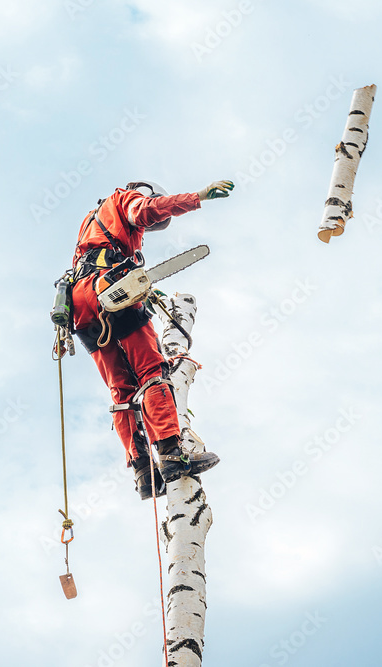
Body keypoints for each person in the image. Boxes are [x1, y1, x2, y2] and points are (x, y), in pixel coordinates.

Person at [70, 179, 233, 499]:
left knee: (121, 389)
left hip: (80, 302)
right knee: (152, 370)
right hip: (108, 285)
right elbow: (145, 212)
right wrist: (197, 197)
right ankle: (172, 454)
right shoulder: (126, 199)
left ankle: (143, 470)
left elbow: (97, 258)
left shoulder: (92, 220)